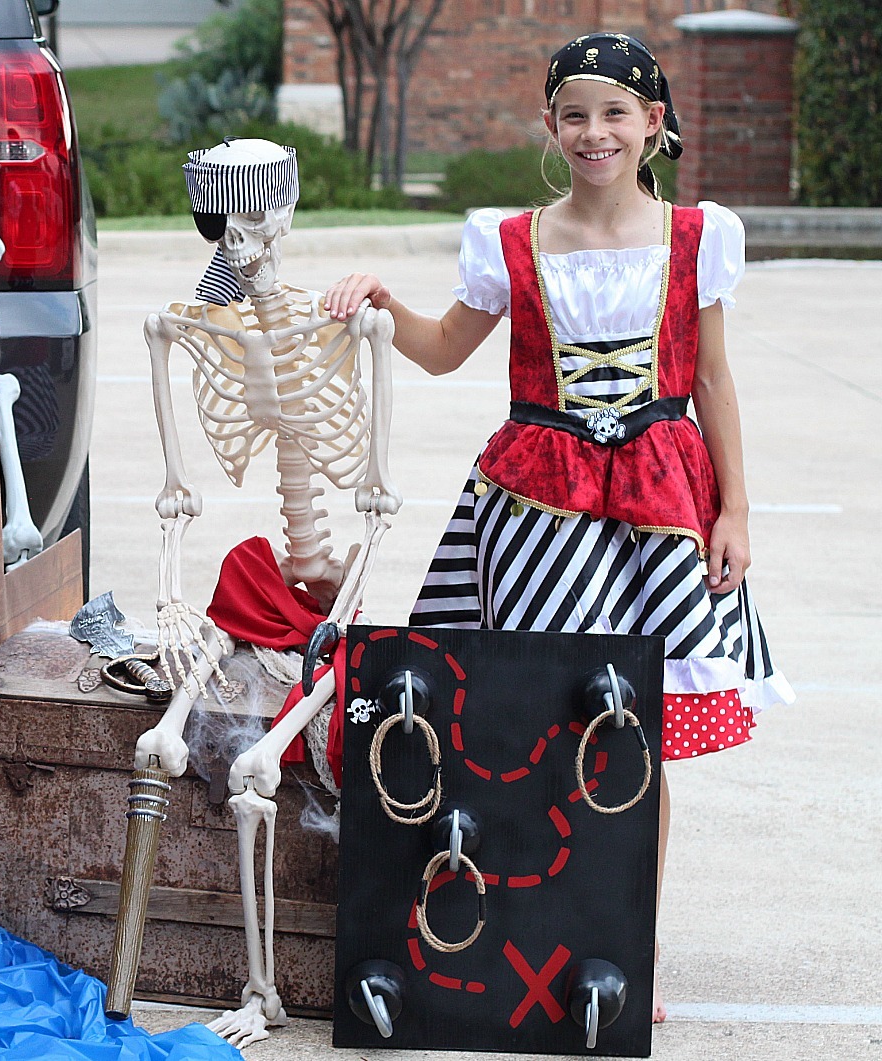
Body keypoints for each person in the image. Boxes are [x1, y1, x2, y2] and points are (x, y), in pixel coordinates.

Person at [322, 32, 793, 1022]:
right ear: (549, 126)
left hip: (663, 507)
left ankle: (628, 939)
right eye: (574, 114)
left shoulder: (695, 236)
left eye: (614, 114)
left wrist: (735, 508)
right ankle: (530, 933)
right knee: (531, 726)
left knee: (634, 738)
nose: (593, 132)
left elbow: (708, 378)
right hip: (539, 510)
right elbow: (446, 351)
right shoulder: (510, 240)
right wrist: (381, 304)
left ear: (650, 126)